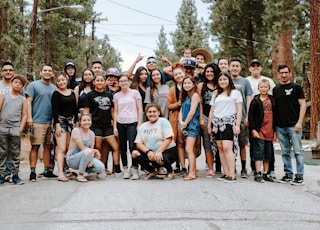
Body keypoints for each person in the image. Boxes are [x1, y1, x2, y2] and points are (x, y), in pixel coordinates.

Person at [273, 64, 306, 186]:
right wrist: (275, 128)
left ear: (290, 73)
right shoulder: (276, 90)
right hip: (280, 126)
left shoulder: (296, 88)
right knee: (285, 152)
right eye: (281, 73)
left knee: (298, 152)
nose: (284, 75)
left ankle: (299, 176)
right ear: (278, 74)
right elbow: (275, 109)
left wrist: (299, 122)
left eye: (286, 72)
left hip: (294, 125)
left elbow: (302, 105)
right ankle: (288, 174)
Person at [208, 71, 242, 183]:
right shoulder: (216, 94)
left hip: (228, 122)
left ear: (229, 80)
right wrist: (209, 125)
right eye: (220, 80)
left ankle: (232, 174)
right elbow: (212, 110)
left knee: (228, 148)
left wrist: (237, 125)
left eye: (225, 79)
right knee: (220, 149)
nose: (223, 81)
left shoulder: (235, 93)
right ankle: (226, 173)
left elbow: (239, 110)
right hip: (216, 123)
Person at [83, 74, 120, 178]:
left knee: (115, 146)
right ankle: (99, 169)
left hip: (108, 126)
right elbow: (86, 111)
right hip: (95, 125)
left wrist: (115, 125)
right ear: (94, 82)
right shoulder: (89, 95)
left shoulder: (109, 95)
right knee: (97, 146)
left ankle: (116, 168)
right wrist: (86, 125)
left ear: (105, 83)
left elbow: (113, 111)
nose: (99, 82)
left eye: (101, 80)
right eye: (97, 80)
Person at [26, 64, 58, 182]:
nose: (47, 72)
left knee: (48, 147)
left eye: (49, 70)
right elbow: (28, 102)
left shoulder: (54, 88)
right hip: (37, 121)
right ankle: (33, 172)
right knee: (35, 146)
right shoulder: (33, 85)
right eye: (45, 70)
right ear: (40, 72)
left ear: (52, 73)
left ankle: (47, 170)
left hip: (51, 122)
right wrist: (29, 118)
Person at [246, 59, 276, 177]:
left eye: (258, 65)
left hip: (269, 125)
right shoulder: (247, 81)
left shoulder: (269, 81)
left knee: (268, 150)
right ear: (249, 68)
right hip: (256, 122)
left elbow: (275, 104)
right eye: (253, 66)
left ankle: (268, 171)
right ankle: (256, 170)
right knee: (256, 146)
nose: (255, 67)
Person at [132, 103, 178, 180]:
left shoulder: (163, 121)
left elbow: (169, 138)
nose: (152, 114)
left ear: (159, 112)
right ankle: (152, 171)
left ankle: (170, 172)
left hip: (167, 151)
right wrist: (148, 152)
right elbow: (138, 143)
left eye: (154, 111)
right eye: (149, 112)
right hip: (151, 153)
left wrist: (159, 151)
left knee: (162, 157)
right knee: (135, 154)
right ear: (146, 114)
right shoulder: (143, 126)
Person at [113, 75, 143, 179]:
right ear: (118, 83)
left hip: (132, 123)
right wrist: (115, 127)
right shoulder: (116, 95)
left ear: (129, 81)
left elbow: (140, 109)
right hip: (121, 123)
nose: (123, 83)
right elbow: (116, 111)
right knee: (122, 147)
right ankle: (125, 169)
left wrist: (139, 123)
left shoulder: (135, 93)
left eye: (125, 80)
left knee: (132, 146)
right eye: (121, 81)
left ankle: (134, 168)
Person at [0, 75, 28, 185]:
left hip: (15, 128)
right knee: (2, 152)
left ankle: (15, 175)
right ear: (11, 83)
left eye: (20, 84)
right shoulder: (3, 96)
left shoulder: (23, 99)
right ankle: (1, 175)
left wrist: (20, 128)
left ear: (22, 87)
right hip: (3, 127)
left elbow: (24, 115)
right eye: (16, 82)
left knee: (15, 153)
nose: (18, 84)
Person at [51, 72, 78, 182]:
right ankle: (60, 173)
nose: (61, 82)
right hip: (60, 123)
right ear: (56, 83)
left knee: (67, 149)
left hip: (70, 123)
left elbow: (75, 109)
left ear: (67, 80)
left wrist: (76, 123)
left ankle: (66, 170)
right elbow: (54, 111)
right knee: (61, 148)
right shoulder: (56, 94)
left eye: (63, 80)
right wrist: (57, 126)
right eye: (59, 80)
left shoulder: (72, 93)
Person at [229, 57, 253, 178]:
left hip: (242, 117)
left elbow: (248, 99)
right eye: (232, 66)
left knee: (242, 144)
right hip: (228, 118)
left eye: (237, 66)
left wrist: (247, 116)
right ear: (229, 67)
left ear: (240, 68)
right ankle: (232, 166)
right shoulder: (225, 80)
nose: (234, 68)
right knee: (230, 145)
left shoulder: (245, 82)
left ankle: (244, 168)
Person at [66, 111, 105, 182]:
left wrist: (90, 160)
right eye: (84, 120)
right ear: (80, 122)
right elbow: (82, 148)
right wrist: (96, 151)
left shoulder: (92, 133)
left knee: (101, 167)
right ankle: (80, 175)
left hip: (86, 155)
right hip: (73, 159)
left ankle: (84, 171)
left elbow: (91, 149)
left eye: (88, 120)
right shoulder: (76, 131)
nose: (87, 122)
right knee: (88, 151)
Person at [248, 79, 275, 183]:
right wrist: (253, 130)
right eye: (261, 87)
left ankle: (266, 173)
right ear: (258, 88)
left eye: (265, 87)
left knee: (268, 154)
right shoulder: (255, 101)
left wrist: (275, 130)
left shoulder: (272, 100)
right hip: (259, 131)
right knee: (258, 152)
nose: (263, 89)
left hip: (270, 130)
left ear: (269, 88)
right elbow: (251, 117)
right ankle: (258, 172)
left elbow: (276, 115)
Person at [197, 63, 220, 177]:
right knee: (207, 143)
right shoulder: (201, 85)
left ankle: (222, 166)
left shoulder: (220, 84)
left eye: (212, 71)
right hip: (205, 116)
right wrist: (201, 118)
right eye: (207, 72)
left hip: (219, 116)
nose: (209, 74)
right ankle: (211, 168)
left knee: (220, 142)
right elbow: (200, 103)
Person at [178, 76, 201, 181]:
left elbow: (192, 111)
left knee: (189, 148)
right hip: (185, 124)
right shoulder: (185, 97)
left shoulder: (195, 95)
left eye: (188, 83)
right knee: (188, 148)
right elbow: (181, 111)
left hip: (192, 124)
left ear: (193, 84)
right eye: (184, 83)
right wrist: (181, 122)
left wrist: (185, 123)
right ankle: (194, 170)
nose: (186, 85)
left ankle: (191, 172)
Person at [167, 63, 185, 174]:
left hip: (189, 118)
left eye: (180, 73)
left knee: (190, 142)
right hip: (176, 118)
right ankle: (180, 165)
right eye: (176, 74)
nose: (178, 76)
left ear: (184, 73)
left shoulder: (189, 85)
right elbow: (169, 106)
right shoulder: (172, 89)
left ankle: (191, 165)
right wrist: (178, 104)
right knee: (178, 142)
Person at [0, 61, 16, 183]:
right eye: (5, 70)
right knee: (2, 150)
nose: (8, 72)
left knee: (12, 150)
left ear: (13, 72)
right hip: (1, 122)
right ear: (2, 72)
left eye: (10, 70)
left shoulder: (17, 86)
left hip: (14, 123)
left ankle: (8, 174)